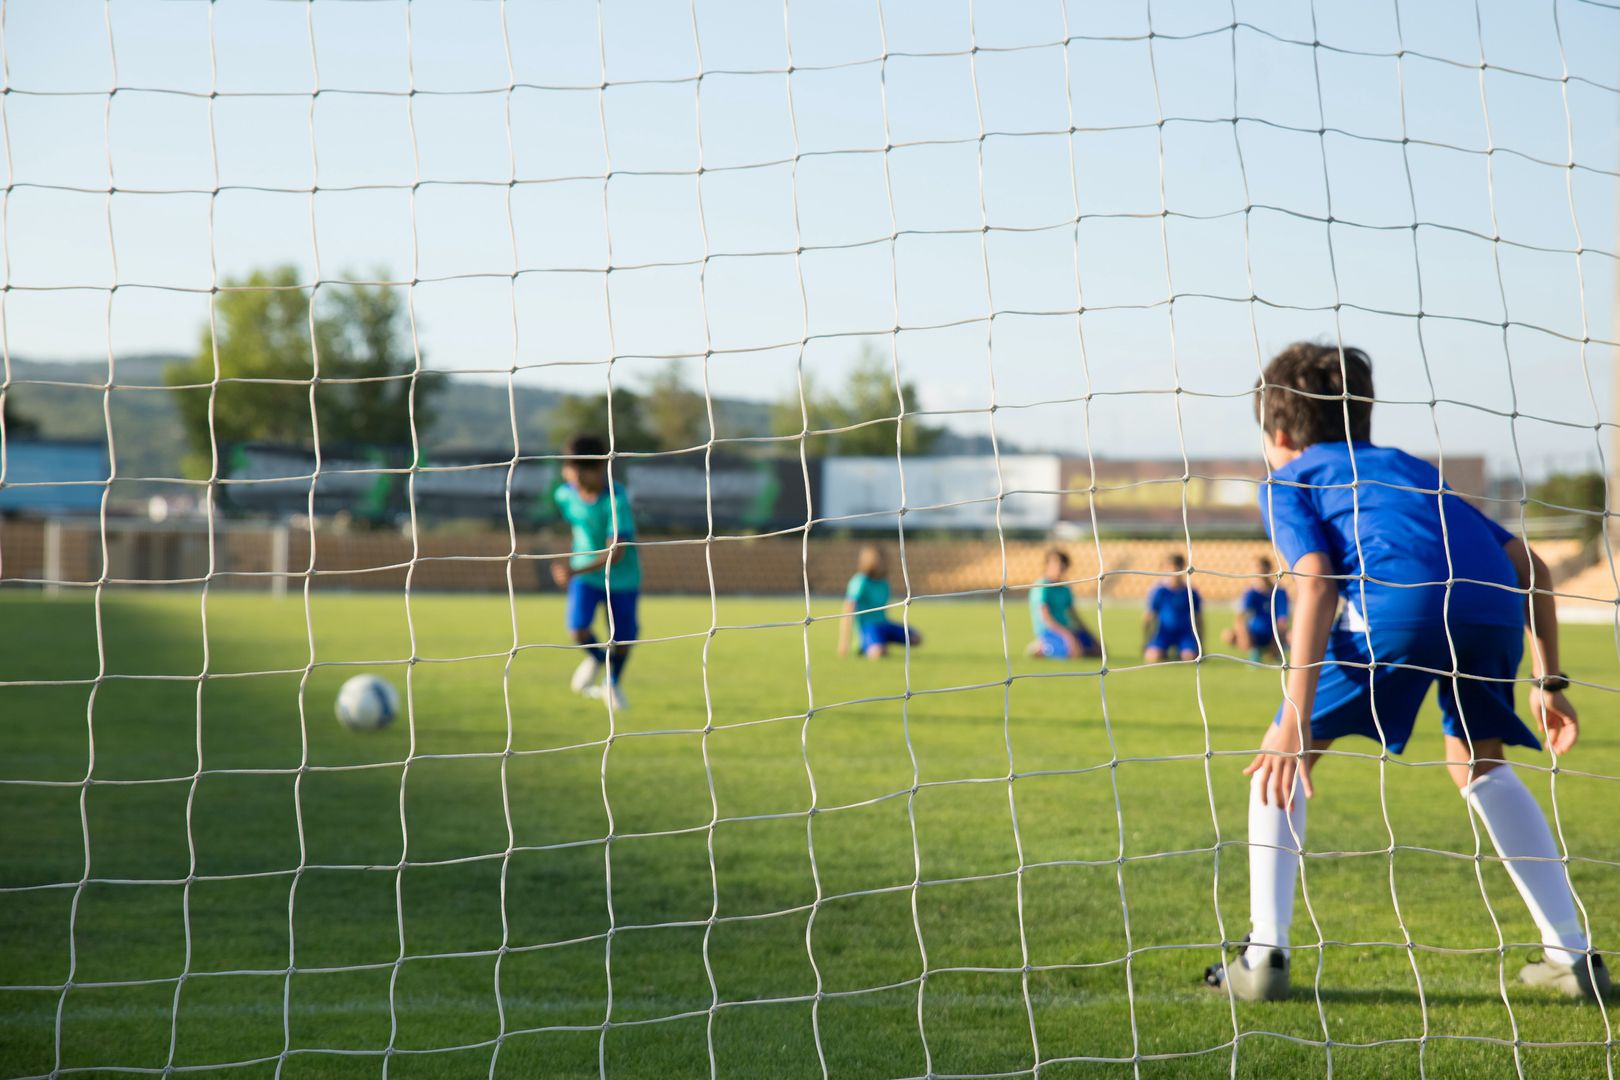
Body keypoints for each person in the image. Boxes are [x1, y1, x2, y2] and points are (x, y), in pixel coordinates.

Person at [1207, 342, 1604, 1003]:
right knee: (1482, 764)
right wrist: (1550, 681)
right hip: (1489, 605)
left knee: (1281, 754)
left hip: (1405, 607)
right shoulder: (1411, 469)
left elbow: (1313, 580)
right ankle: (1573, 953)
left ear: (1277, 435)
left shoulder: (1289, 478)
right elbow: (1529, 564)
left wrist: (1293, 720)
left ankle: (1264, 951)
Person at [549, 434, 639, 711]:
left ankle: (612, 684)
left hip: (621, 577)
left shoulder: (616, 499)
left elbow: (617, 551)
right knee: (577, 629)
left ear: (597, 469)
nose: (570, 475)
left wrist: (574, 570)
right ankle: (599, 661)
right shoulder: (564, 494)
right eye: (568, 468)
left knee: (623, 639)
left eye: (576, 470)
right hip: (586, 577)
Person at [837, 545, 922, 659]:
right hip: (867, 627)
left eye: (884, 559)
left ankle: (881, 641)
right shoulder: (860, 581)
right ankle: (864, 644)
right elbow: (848, 609)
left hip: (884, 624)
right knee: (877, 653)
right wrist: (844, 641)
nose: (883, 563)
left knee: (916, 638)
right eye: (879, 560)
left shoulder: (884, 582)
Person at [1026, 548, 1101, 659]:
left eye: (1062, 563)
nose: (1060, 566)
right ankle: (1041, 647)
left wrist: (1090, 634)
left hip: (1067, 629)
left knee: (1099, 651)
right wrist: (1066, 635)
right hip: (1049, 631)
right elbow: (1045, 617)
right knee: (1076, 653)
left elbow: (1074, 615)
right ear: (1047, 564)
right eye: (1056, 562)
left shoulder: (1065, 588)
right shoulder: (1042, 587)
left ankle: (1054, 648)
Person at [1222, 556, 1290, 662]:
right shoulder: (1250, 593)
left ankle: (1277, 651)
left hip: (1273, 633)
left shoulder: (1279, 592)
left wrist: (1277, 638)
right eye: (1254, 568)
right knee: (1228, 635)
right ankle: (1253, 651)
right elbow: (1240, 617)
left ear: (1268, 569)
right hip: (1254, 633)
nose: (1257, 571)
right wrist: (1244, 634)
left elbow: (1283, 620)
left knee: (1293, 637)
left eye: (1259, 567)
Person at [1142, 553, 1203, 662]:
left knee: (1189, 658)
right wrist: (1146, 641)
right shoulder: (1159, 591)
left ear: (1183, 568)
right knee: (1153, 657)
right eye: (1169, 567)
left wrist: (1201, 644)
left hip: (1184, 634)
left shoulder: (1190, 592)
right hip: (1163, 633)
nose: (1173, 571)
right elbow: (1149, 616)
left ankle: (1180, 653)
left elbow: (1199, 618)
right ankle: (1164, 652)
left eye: (1176, 567)